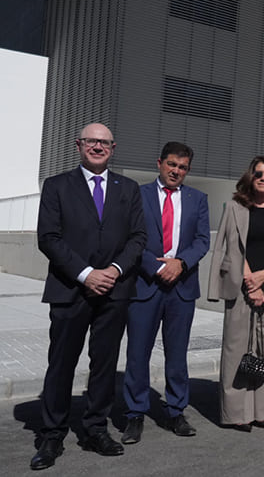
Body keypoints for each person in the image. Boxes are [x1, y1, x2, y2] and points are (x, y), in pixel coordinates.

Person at [31, 123, 146, 470]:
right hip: (70, 289)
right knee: (61, 364)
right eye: (91, 141)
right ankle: (51, 435)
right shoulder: (57, 186)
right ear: (78, 145)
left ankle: (96, 428)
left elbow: (138, 238)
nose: (98, 147)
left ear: (113, 147)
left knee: (104, 365)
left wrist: (113, 270)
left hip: (114, 290)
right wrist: (86, 274)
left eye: (104, 142)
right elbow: (48, 237)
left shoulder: (128, 189)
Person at [122, 142, 210, 444]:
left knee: (177, 354)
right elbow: (130, 236)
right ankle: (134, 413)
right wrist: (156, 267)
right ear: (160, 163)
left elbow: (201, 241)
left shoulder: (198, 199)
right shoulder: (138, 194)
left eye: (183, 167)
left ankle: (175, 410)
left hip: (181, 287)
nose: (176, 171)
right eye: (172, 164)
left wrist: (181, 263)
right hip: (146, 284)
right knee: (137, 354)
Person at [207, 156, 264, 432]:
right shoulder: (236, 208)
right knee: (237, 349)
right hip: (242, 284)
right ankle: (236, 413)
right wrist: (251, 282)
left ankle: (261, 411)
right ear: (250, 176)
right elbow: (233, 248)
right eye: (258, 173)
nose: (263, 178)